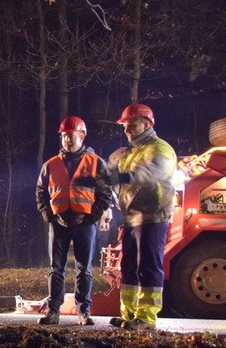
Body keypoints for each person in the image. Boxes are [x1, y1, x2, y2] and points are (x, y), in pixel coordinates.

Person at [35, 116, 114, 326]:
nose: (67, 140)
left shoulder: (96, 163)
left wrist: (93, 216)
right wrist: (49, 215)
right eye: (64, 136)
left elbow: (105, 192)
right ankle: (53, 311)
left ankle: (84, 312)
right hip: (58, 223)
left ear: (82, 136)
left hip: (85, 224)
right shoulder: (51, 165)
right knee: (56, 268)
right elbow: (41, 192)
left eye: (71, 136)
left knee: (84, 269)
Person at [107, 103, 177, 330]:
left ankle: (146, 319)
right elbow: (116, 179)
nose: (127, 130)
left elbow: (146, 174)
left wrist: (119, 178)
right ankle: (129, 315)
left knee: (148, 266)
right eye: (125, 126)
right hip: (132, 218)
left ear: (147, 124)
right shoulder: (130, 153)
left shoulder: (160, 149)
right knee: (129, 268)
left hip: (153, 216)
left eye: (131, 125)